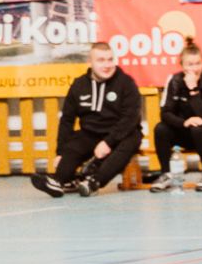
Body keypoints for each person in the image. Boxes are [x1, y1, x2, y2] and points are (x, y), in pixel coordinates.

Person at [32, 41, 142, 198]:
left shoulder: (126, 83)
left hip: (121, 134)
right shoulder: (79, 85)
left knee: (132, 139)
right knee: (74, 145)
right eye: (101, 60)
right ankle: (58, 181)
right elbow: (67, 120)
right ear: (90, 62)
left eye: (110, 59)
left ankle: (94, 182)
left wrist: (108, 142)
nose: (107, 65)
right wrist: (60, 153)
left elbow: (131, 118)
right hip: (91, 133)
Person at [149, 42, 202, 192]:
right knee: (161, 128)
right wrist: (184, 122)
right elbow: (165, 113)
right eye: (190, 64)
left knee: (198, 128)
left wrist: (193, 89)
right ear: (182, 65)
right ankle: (166, 174)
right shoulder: (174, 80)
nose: (194, 68)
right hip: (186, 130)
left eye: (198, 63)